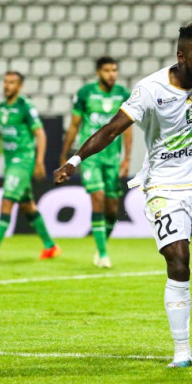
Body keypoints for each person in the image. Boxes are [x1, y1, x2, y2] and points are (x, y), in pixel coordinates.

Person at [54, 24, 192, 368]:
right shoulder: (150, 89)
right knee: (178, 260)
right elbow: (112, 128)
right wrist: (75, 159)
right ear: (181, 56)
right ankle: (182, 351)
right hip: (163, 187)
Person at [0, 72, 60, 261]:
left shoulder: (25, 106)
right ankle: (50, 246)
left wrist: (40, 161)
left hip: (23, 162)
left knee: (7, 200)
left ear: (19, 86)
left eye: (11, 83)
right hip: (11, 163)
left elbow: (41, 134)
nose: (6, 86)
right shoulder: (2, 108)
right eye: (5, 82)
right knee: (28, 206)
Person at [60, 57, 132, 268]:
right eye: (107, 70)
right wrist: (66, 154)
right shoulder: (85, 94)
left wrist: (126, 158)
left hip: (112, 158)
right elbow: (74, 125)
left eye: (115, 70)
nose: (112, 74)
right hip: (91, 158)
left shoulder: (123, 95)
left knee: (112, 209)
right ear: (98, 73)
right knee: (98, 198)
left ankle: (101, 246)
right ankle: (103, 253)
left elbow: (127, 128)